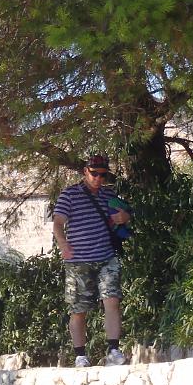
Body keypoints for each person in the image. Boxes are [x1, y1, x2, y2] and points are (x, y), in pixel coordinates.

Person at [52, 154, 132, 367]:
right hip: (78, 261)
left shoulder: (108, 194)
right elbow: (58, 222)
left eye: (102, 174)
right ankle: (80, 355)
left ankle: (113, 350)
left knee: (112, 301)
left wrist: (124, 217)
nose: (98, 178)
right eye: (94, 173)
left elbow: (124, 215)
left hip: (106, 256)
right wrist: (63, 244)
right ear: (85, 172)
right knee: (79, 310)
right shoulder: (70, 194)